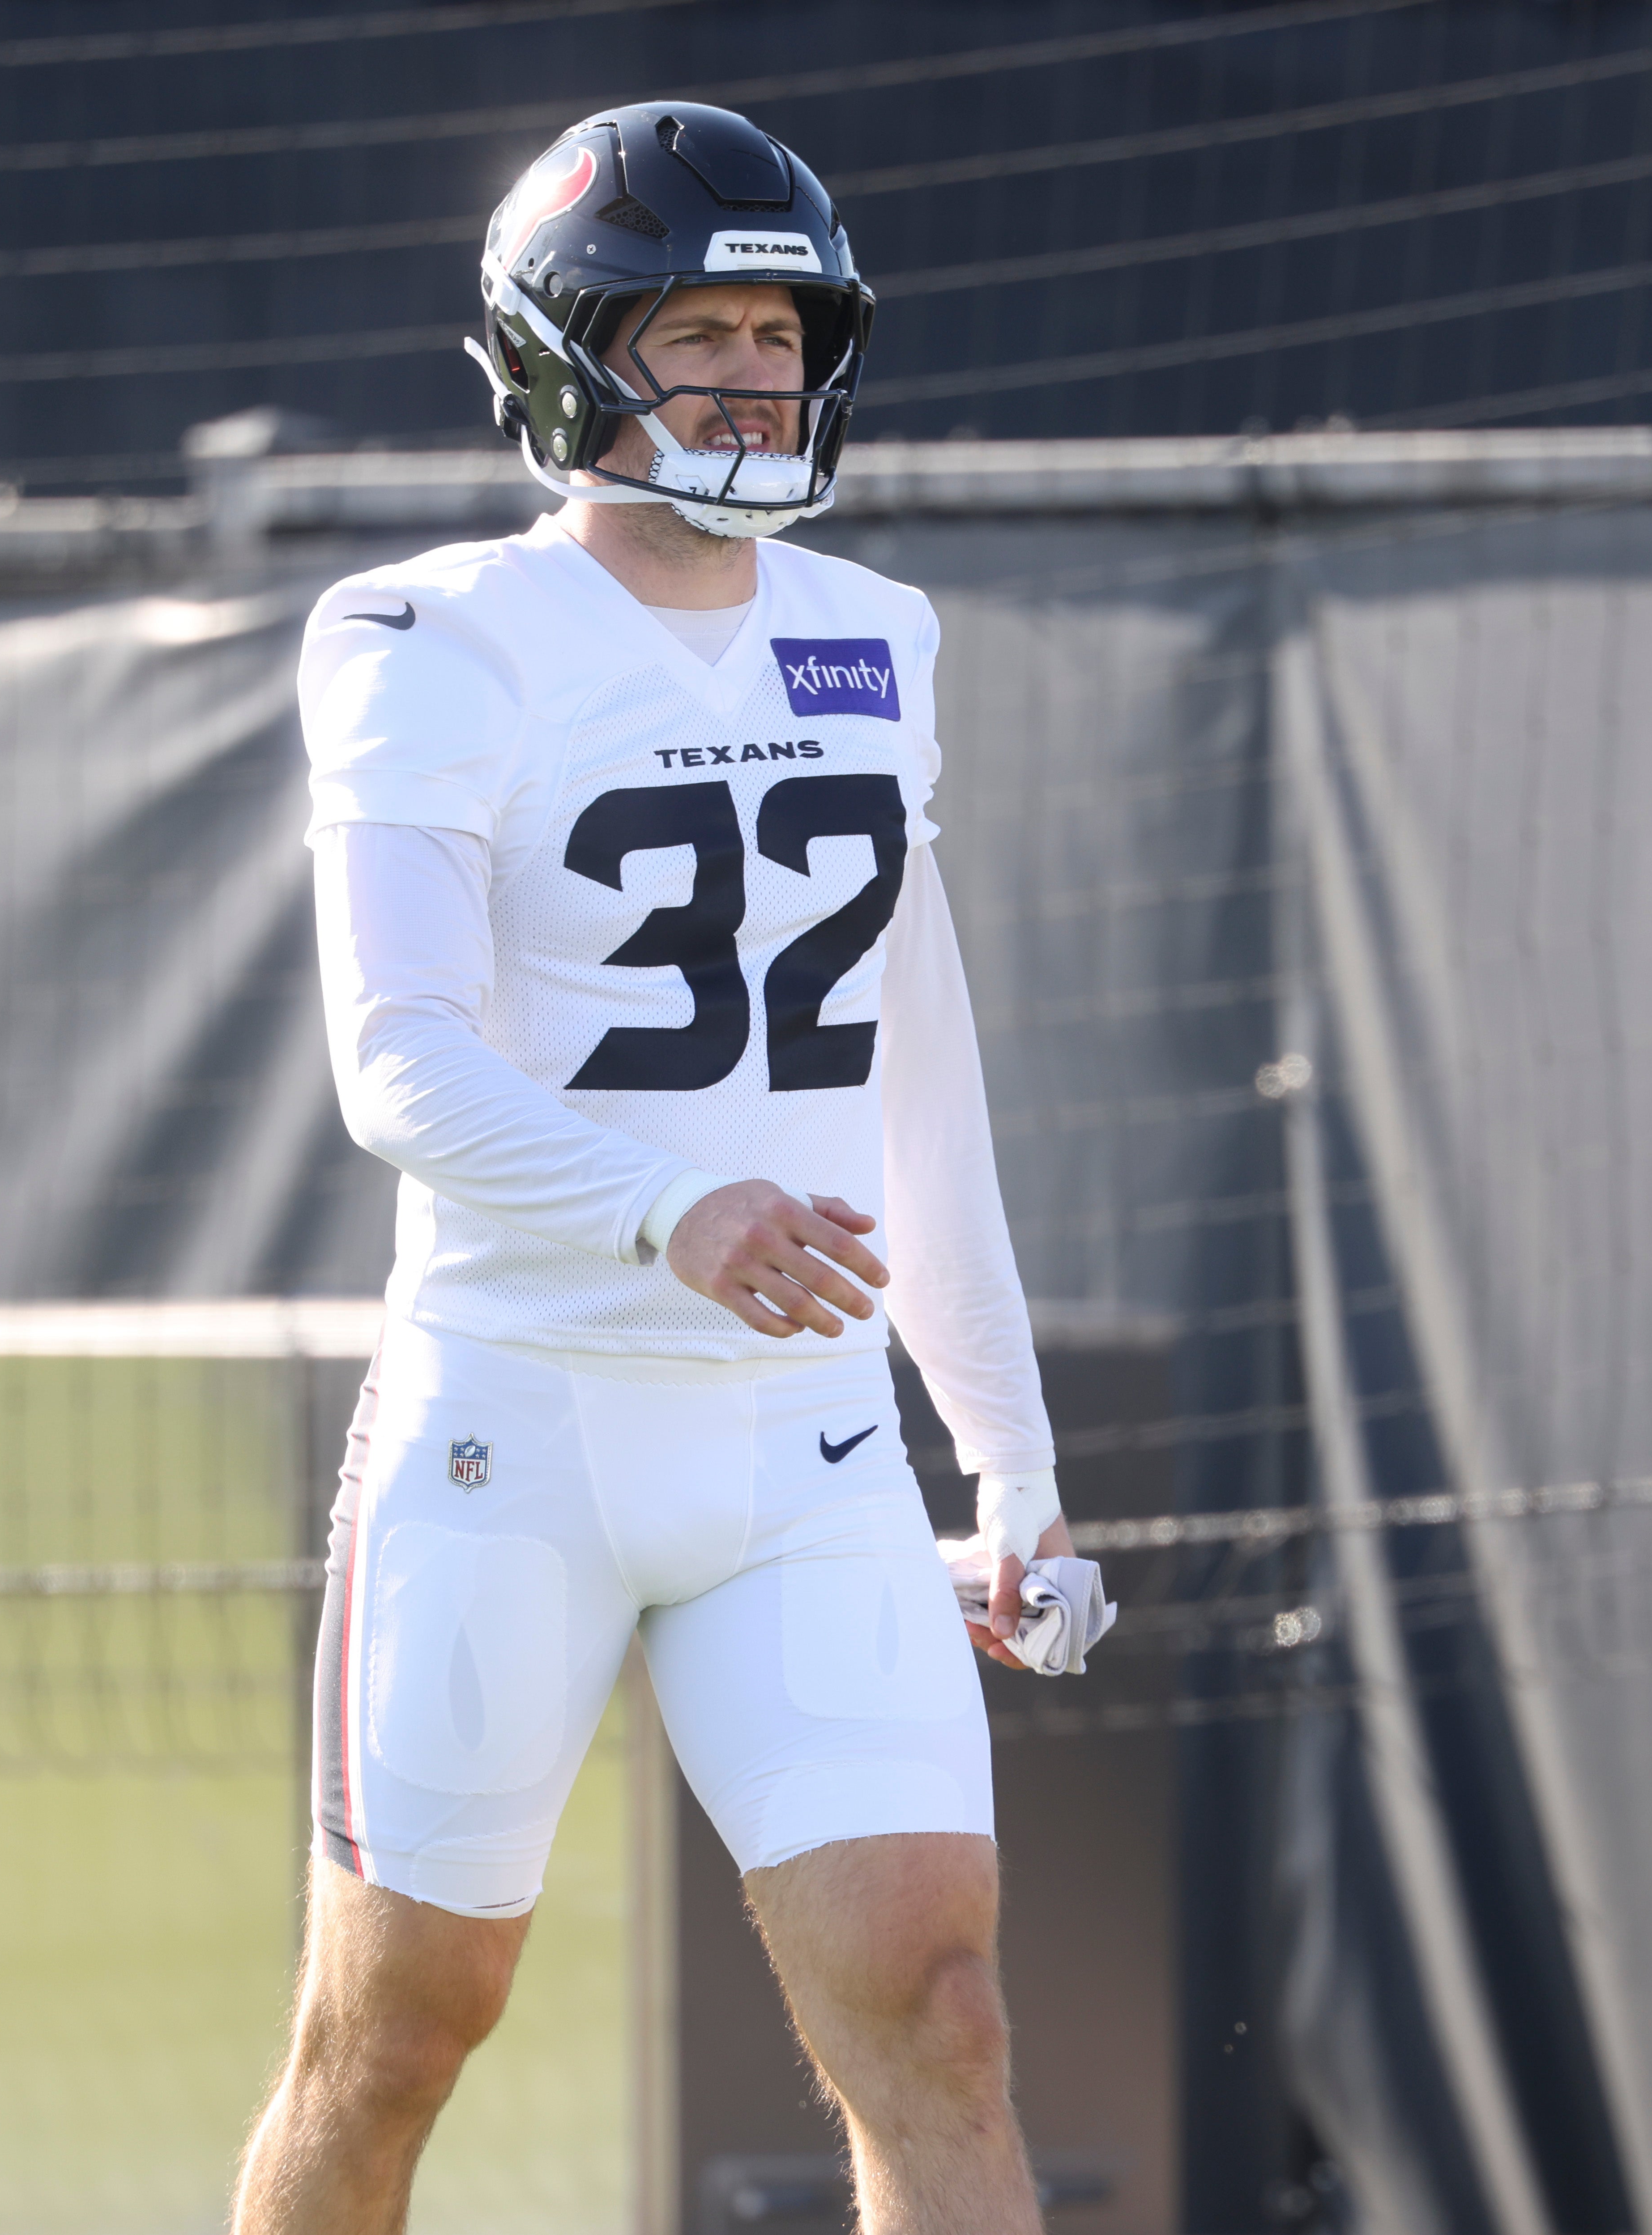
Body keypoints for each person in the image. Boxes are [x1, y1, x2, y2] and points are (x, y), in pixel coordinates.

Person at [234, 100, 1084, 2235]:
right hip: (514, 1426)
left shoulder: (872, 636)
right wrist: (667, 1204)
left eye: (783, 331)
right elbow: (394, 1062)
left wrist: (1006, 1451)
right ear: (563, 355)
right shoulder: (434, 635)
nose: (754, 374)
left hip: (801, 1448)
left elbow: (923, 1077)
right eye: (697, 327)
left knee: (945, 2014)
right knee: (391, 2040)